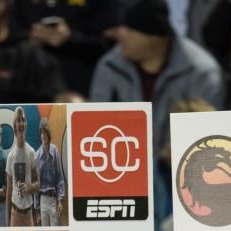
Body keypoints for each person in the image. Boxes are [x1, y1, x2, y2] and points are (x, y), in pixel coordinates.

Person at [90, 0, 223, 153]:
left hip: (178, 167)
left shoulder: (200, 71)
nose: (121, 34)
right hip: (123, 165)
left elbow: (208, 136)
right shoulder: (110, 66)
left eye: (131, 29)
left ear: (156, 37)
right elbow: (95, 125)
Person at [5, 106, 39, 227]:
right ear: (14, 125)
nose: (21, 123)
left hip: (29, 213)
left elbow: (39, 184)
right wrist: (8, 220)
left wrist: (29, 187)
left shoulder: (31, 152)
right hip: (15, 214)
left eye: (23, 120)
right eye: (18, 120)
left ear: (26, 124)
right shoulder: (11, 156)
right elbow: (9, 190)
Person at [35, 118, 65, 227]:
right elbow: (36, 184)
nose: (43, 135)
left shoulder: (55, 150)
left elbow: (59, 177)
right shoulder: (37, 155)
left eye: (45, 132)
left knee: (55, 229)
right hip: (43, 200)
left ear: (48, 134)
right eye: (41, 133)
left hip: (53, 199)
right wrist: (37, 210)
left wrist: (60, 200)